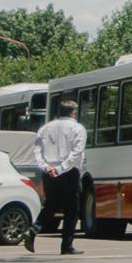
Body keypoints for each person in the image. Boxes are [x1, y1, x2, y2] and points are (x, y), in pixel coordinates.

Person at [26, 98, 87, 255]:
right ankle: (66, 245)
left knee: (51, 205)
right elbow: (76, 152)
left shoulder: (45, 128)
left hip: (49, 172)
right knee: (71, 210)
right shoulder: (78, 128)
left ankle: (33, 230)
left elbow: (37, 152)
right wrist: (60, 169)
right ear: (73, 113)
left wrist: (47, 168)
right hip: (68, 172)